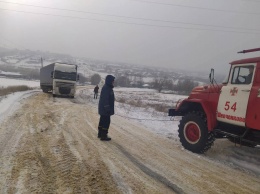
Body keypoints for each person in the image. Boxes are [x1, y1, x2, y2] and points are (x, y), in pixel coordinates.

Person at [97, 75, 115, 141]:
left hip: (103, 109)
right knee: (106, 122)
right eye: (113, 81)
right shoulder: (107, 88)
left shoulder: (107, 87)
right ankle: (104, 136)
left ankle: (100, 134)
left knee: (102, 121)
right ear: (110, 81)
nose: (113, 82)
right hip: (105, 109)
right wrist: (107, 109)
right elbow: (105, 100)